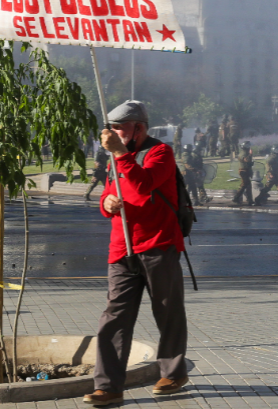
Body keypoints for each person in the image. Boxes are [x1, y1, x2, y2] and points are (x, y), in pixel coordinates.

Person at [86, 101, 189, 406]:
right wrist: (106, 204)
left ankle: (173, 371)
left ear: (139, 129)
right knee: (114, 318)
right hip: (121, 248)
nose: (112, 133)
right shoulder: (116, 158)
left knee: (167, 312)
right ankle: (108, 385)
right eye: (112, 127)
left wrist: (119, 152)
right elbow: (108, 192)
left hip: (158, 245)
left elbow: (143, 185)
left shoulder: (160, 153)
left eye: (119, 128)